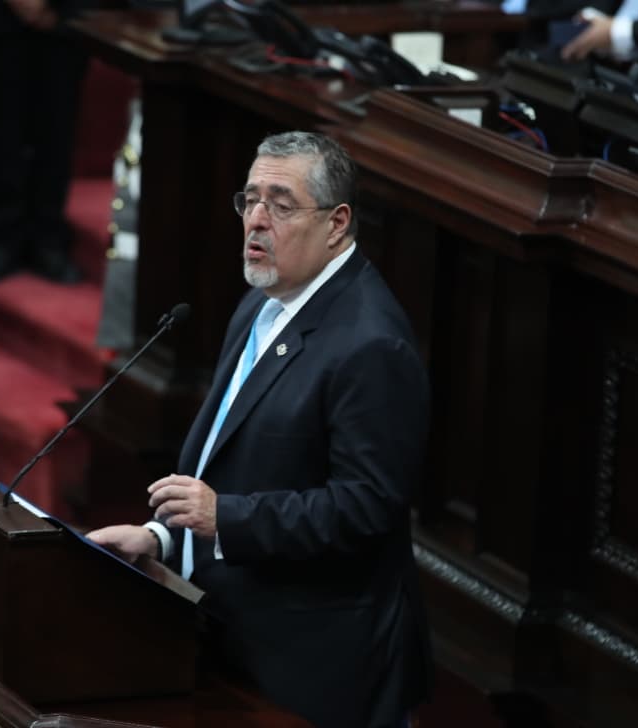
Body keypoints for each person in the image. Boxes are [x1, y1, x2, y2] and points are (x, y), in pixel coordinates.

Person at [87, 131, 433, 728]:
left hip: (314, 668)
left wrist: (229, 518)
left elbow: (366, 507)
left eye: (281, 203)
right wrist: (163, 537)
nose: (256, 221)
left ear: (337, 223)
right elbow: (232, 466)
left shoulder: (372, 344)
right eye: (249, 200)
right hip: (228, 633)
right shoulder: (265, 300)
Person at [0, 0, 92, 285]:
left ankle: (48, 240)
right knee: (0, 133)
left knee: (58, 134)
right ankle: (0, 238)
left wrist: (48, 8)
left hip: (65, 20)